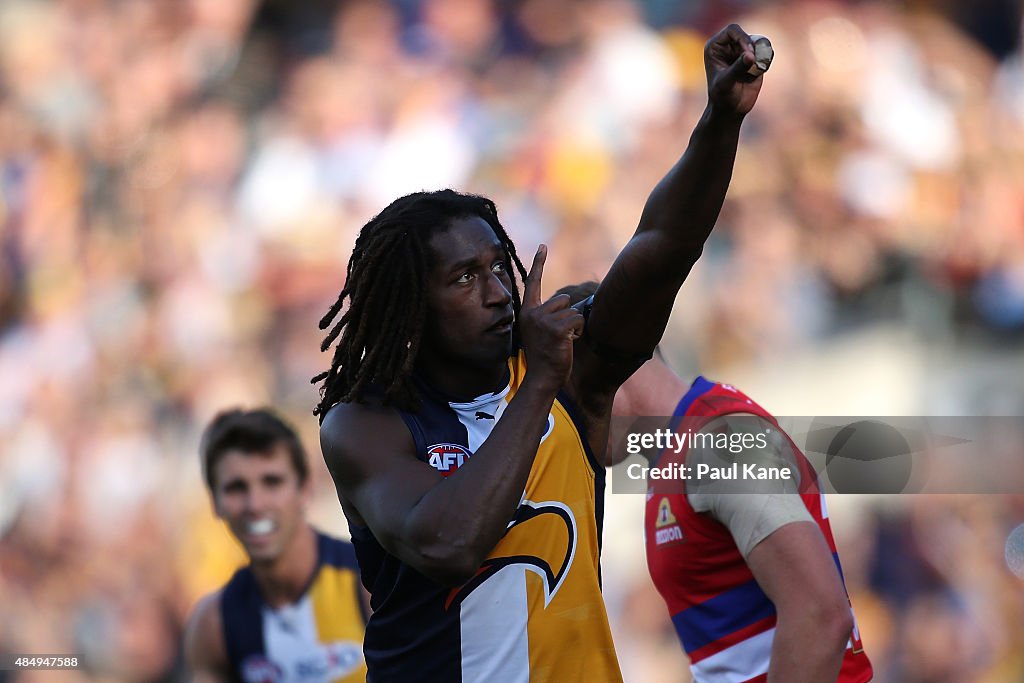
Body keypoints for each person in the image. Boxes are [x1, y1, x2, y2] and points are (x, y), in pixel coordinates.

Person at [313, 24, 767, 682]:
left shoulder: (572, 363)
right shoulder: (364, 424)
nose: (500, 291)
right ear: (414, 308)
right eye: (465, 278)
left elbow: (663, 246)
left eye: (501, 265)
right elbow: (448, 541)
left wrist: (719, 122)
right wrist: (537, 386)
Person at [558, 279, 874, 683]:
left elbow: (822, 616)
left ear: (603, 366)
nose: (560, 423)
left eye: (560, 398)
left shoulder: (718, 441)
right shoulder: (675, 456)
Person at [184, 409, 368, 683]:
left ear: (305, 488)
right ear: (215, 501)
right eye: (236, 487)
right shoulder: (214, 624)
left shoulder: (369, 583)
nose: (255, 505)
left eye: (272, 482)